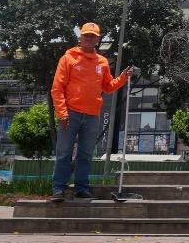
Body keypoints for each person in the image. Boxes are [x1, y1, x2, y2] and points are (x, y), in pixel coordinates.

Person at [50, 22, 134, 202]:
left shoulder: (102, 62)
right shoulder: (68, 58)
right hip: (70, 114)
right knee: (64, 153)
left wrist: (123, 78)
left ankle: (82, 188)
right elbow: (57, 88)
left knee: (86, 154)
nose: (88, 38)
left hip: (92, 116)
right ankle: (58, 189)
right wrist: (62, 113)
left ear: (97, 39)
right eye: (85, 35)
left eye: (92, 36)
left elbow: (108, 86)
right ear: (80, 37)